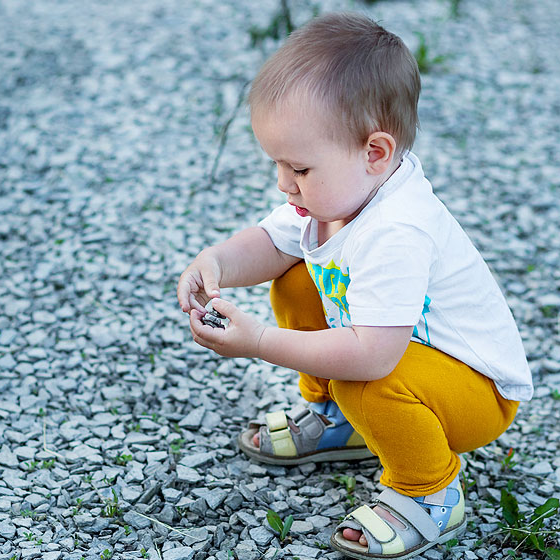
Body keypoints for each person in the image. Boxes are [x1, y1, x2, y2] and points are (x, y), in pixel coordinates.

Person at [176, 12, 533, 560]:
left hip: (475, 391)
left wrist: (259, 342)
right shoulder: (337, 195)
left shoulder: (397, 230)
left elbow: (370, 356)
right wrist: (216, 261)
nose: (282, 182)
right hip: (404, 355)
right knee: (295, 278)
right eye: (276, 163)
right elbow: (272, 245)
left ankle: (430, 490)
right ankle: (339, 422)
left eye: (298, 167)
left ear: (375, 153)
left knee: (366, 382)